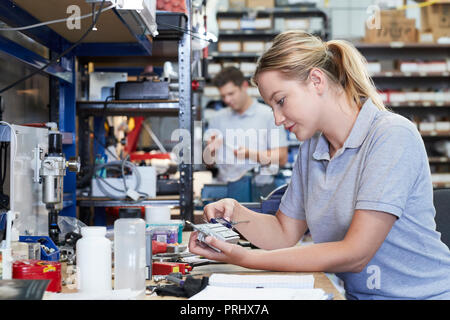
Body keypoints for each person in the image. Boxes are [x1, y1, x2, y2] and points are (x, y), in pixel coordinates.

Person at [189, 31, 450, 300]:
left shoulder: (391, 135)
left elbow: (355, 254)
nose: (278, 119)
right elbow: (283, 232)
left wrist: (247, 258)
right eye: (271, 108)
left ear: (316, 81)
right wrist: (236, 213)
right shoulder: (312, 149)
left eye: (281, 101)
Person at [205, 67, 288, 183]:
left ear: (244, 86)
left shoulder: (268, 115)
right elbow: (209, 164)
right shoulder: (217, 118)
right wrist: (211, 150)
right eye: (223, 96)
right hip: (224, 189)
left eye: (231, 93)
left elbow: (282, 158)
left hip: (259, 189)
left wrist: (250, 154)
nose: (227, 100)